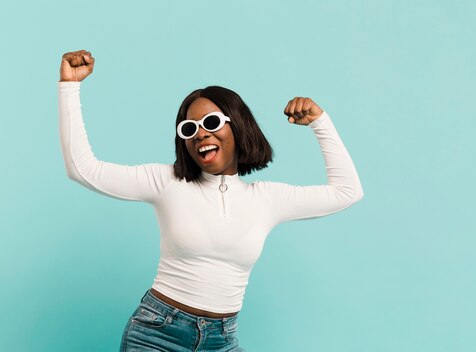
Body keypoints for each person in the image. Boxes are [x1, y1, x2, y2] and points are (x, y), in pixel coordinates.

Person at [58, 49, 364, 351]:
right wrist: (69, 87)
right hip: (156, 335)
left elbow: (347, 191)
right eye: (190, 129)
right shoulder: (167, 181)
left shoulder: (266, 198)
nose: (201, 134)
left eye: (212, 123)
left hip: (222, 340)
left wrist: (320, 123)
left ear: (238, 127)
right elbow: (83, 169)